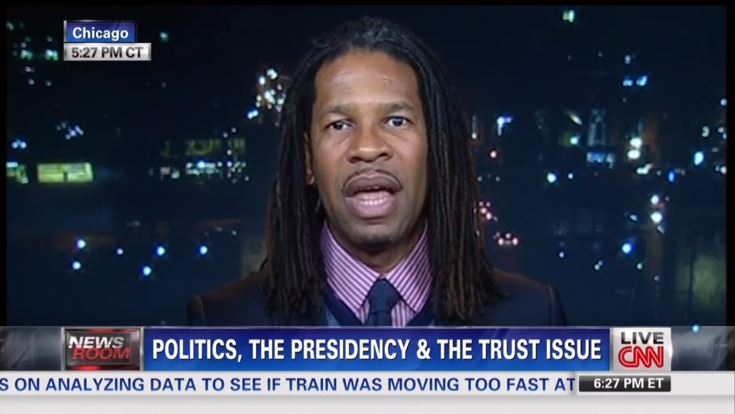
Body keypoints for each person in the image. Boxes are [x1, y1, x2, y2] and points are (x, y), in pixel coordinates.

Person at [188, 17, 566, 327]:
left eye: (396, 120)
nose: (368, 148)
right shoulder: (222, 324)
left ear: (436, 149)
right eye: (339, 125)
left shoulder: (533, 317)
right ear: (308, 160)